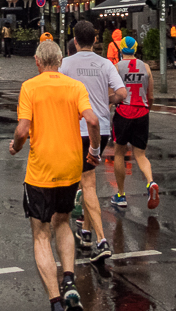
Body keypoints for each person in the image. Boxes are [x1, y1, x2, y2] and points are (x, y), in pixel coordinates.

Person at [9, 39, 100, 311]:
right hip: (71, 168)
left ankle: (55, 300)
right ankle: (70, 280)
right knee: (63, 222)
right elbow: (93, 120)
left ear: (37, 62)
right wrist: (94, 150)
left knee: (40, 233)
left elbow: (23, 130)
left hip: (41, 171)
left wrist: (15, 146)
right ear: (60, 62)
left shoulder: (30, 87)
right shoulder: (75, 87)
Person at [59, 21, 126, 262]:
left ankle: (100, 239)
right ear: (95, 40)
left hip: (75, 129)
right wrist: (105, 98)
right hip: (101, 129)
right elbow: (122, 94)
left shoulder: (65, 64)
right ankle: (87, 233)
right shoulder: (106, 64)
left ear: (75, 41)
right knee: (89, 182)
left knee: (83, 184)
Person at [110, 37, 159, 210]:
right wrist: (147, 110)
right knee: (141, 154)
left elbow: (113, 93)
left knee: (119, 153)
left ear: (121, 49)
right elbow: (151, 95)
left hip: (124, 111)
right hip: (142, 112)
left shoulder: (116, 68)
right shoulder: (145, 67)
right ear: (136, 49)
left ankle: (121, 194)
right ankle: (150, 182)